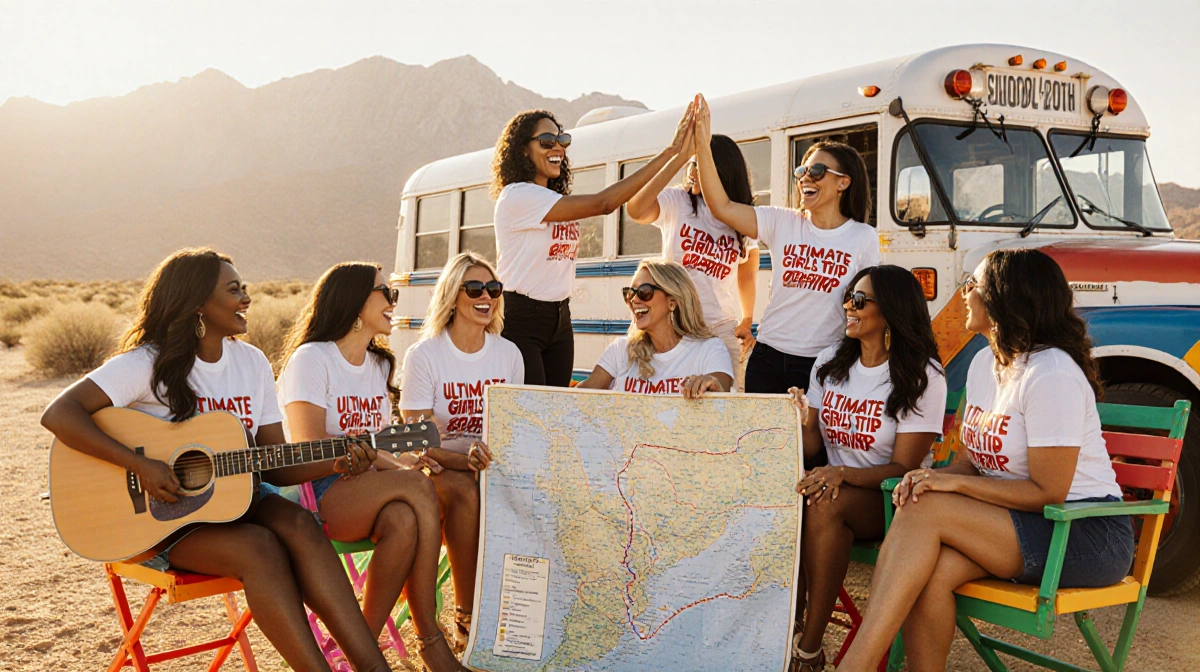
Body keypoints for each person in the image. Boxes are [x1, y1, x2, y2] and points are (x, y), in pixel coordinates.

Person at [40, 248, 396, 672]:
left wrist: (338, 459)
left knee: (301, 524)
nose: (247, 298)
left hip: (239, 502)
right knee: (259, 548)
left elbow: (274, 463)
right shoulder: (147, 363)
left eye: (244, 288)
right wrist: (139, 465)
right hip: (165, 521)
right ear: (198, 304)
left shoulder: (252, 362)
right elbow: (59, 414)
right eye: (233, 290)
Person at [838, 249, 1134, 672]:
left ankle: (857, 665)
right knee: (930, 568)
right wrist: (930, 477)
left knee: (926, 509)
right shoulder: (984, 364)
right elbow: (970, 463)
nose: (964, 294)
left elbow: (1048, 492)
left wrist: (952, 484)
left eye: (972, 285)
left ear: (1003, 298)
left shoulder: (1050, 374)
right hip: (1023, 522)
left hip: (1084, 531)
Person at [276, 262, 465, 671]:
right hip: (315, 491)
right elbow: (307, 448)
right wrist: (396, 470)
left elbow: (377, 443)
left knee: (403, 519)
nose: (395, 302)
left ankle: (362, 655)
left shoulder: (378, 365)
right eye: (387, 293)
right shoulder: (312, 359)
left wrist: (405, 460)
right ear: (356, 301)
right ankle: (429, 637)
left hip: (367, 487)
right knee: (417, 487)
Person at [785, 265, 947, 672]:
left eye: (859, 300)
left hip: (894, 500)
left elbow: (904, 466)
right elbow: (812, 446)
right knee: (793, 500)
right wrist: (800, 418)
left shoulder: (921, 375)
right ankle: (785, 628)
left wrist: (841, 474)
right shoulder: (830, 362)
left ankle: (808, 650)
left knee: (824, 503)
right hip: (834, 494)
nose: (848, 307)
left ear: (890, 310)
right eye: (848, 298)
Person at [490, 103, 697, 387]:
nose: (558, 148)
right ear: (522, 149)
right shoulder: (517, 196)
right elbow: (604, 203)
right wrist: (669, 151)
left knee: (557, 406)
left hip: (559, 316)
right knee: (531, 407)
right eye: (547, 141)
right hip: (522, 318)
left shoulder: (553, 199)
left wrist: (679, 155)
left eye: (562, 140)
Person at [692, 94, 880, 394]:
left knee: (811, 429)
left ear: (843, 182)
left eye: (816, 172)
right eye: (801, 172)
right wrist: (702, 146)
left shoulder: (863, 237)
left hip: (822, 362)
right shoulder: (782, 221)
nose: (805, 178)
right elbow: (722, 207)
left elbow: (869, 306)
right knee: (758, 428)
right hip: (767, 357)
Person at [398, 252, 523, 646]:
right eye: (474, 288)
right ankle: (467, 620)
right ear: (452, 296)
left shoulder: (509, 354)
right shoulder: (425, 355)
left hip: (491, 467)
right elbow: (416, 441)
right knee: (467, 490)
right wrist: (463, 461)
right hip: (436, 471)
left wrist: (487, 461)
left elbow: (514, 431)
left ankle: (522, 619)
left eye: (493, 288)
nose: (486, 296)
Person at [625, 133, 760, 391]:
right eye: (692, 164)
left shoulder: (739, 215)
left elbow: (748, 271)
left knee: (727, 400)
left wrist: (747, 319)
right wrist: (679, 157)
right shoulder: (679, 201)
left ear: (722, 171)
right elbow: (637, 209)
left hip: (719, 327)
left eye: (700, 164)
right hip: (674, 326)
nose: (692, 171)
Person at [578, 258, 732, 398]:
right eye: (630, 293)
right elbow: (580, 398)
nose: (634, 300)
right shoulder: (620, 350)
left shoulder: (709, 349)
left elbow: (721, 389)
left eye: (644, 292)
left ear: (672, 302)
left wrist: (711, 383)